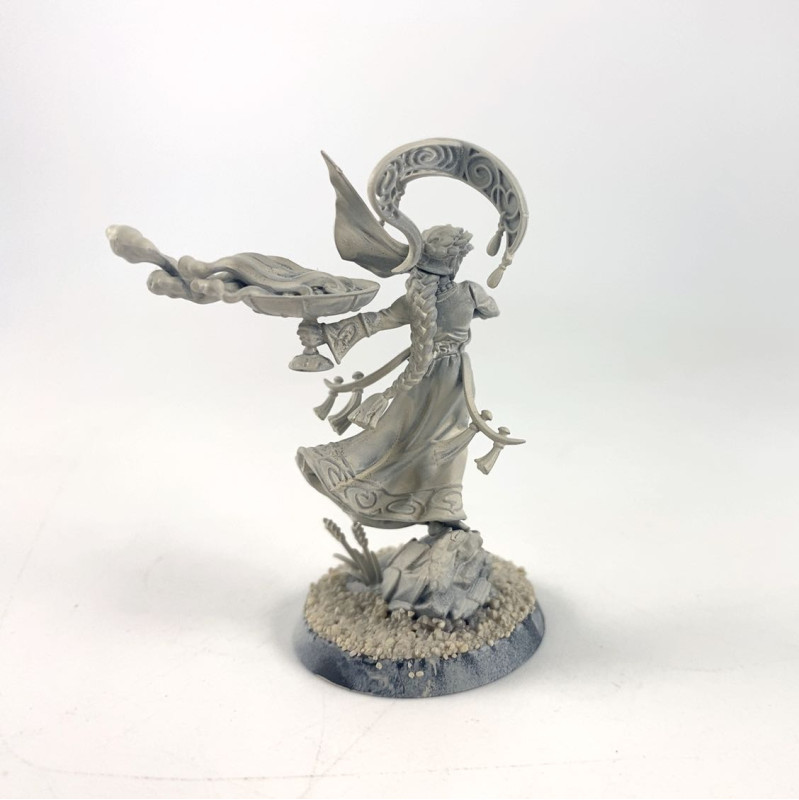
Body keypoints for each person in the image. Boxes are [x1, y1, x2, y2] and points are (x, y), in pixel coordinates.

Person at [295, 225, 499, 532]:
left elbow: (376, 321)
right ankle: (441, 508)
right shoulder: (470, 292)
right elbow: (491, 310)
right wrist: (469, 316)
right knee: (443, 440)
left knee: (400, 436)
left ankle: (433, 508)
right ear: (454, 264)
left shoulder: (413, 302)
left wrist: (324, 334)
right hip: (449, 378)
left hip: (420, 377)